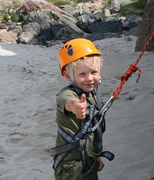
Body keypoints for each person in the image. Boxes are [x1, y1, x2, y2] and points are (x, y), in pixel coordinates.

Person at [50, 38, 113, 180]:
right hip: (70, 165)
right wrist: (76, 106)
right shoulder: (67, 93)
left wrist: (94, 156)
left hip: (88, 159)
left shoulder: (93, 95)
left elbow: (91, 132)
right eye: (82, 74)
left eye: (94, 72)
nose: (89, 78)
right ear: (68, 75)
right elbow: (67, 101)